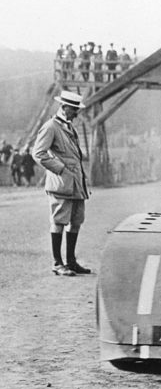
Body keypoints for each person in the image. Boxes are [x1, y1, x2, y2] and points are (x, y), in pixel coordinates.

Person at [32, 90, 90, 276]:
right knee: (58, 221)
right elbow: (38, 153)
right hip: (61, 184)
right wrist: (60, 169)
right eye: (74, 109)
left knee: (76, 221)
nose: (76, 113)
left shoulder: (69, 127)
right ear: (64, 108)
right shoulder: (50, 127)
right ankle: (58, 263)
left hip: (76, 184)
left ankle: (71, 261)